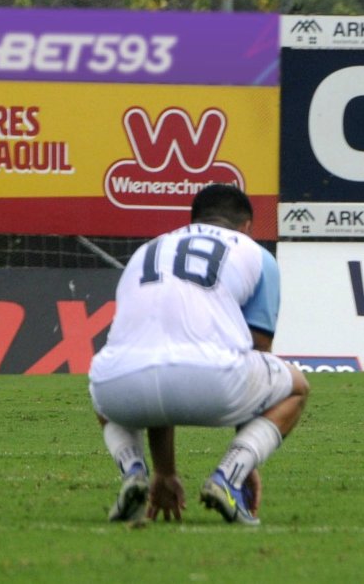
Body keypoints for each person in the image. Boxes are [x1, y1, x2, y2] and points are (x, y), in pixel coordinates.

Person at [89, 183, 310, 524]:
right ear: (247, 227)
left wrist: (166, 471)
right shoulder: (256, 254)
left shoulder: (147, 250)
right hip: (212, 383)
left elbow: (156, 358)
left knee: (103, 378)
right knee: (297, 386)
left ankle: (133, 469)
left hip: (119, 387)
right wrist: (245, 457)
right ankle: (227, 478)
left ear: (193, 221)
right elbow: (258, 350)